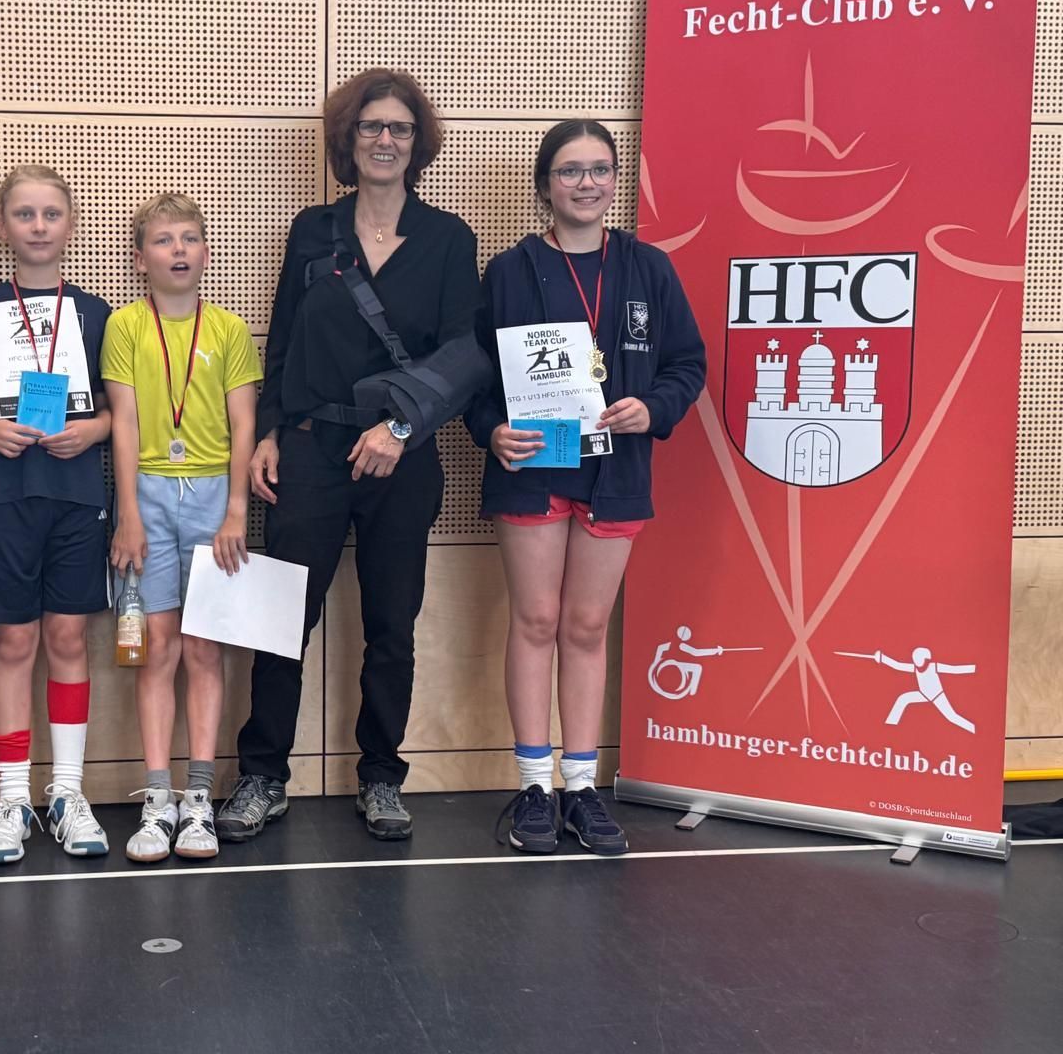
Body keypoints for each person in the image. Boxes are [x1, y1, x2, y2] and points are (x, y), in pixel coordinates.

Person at [220, 68, 481, 844]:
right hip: (311, 449)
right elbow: (283, 339)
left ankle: (381, 777)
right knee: (278, 622)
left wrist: (397, 428)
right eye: (372, 126)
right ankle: (263, 776)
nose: (385, 140)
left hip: (403, 455)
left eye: (399, 127)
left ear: (417, 143)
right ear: (349, 138)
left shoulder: (449, 238)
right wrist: (269, 432)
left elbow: (464, 355)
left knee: (391, 625)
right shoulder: (312, 230)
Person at [468, 119, 705, 856]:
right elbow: (473, 376)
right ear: (545, 185)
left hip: (616, 471)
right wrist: (491, 430)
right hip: (535, 465)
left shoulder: (648, 268)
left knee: (587, 627)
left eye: (600, 169)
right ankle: (534, 786)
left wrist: (653, 408)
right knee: (536, 620)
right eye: (570, 170)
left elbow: (687, 364)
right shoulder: (509, 272)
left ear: (615, 182)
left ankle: (580, 787)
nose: (587, 183)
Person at [0, 166, 114, 864]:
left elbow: (119, 411)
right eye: (24, 214)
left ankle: (67, 792)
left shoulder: (98, 314)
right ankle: (12, 797)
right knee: (14, 643)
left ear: (70, 225)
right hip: (6, 499)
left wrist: (93, 430)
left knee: (69, 638)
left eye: (51, 213)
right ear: (1, 227)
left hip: (78, 499)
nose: (38, 226)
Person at [103, 193, 261, 862]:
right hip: (147, 494)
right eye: (164, 240)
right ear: (140, 259)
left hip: (212, 497)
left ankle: (198, 800)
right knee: (156, 647)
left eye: (190, 238)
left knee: (203, 648)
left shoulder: (228, 329)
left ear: (206, 252)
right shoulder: (124, 326)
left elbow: (244, 425)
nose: (178, 250)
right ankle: (157, 798)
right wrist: (129, 515)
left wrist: (235, 510)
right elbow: (125, 423)